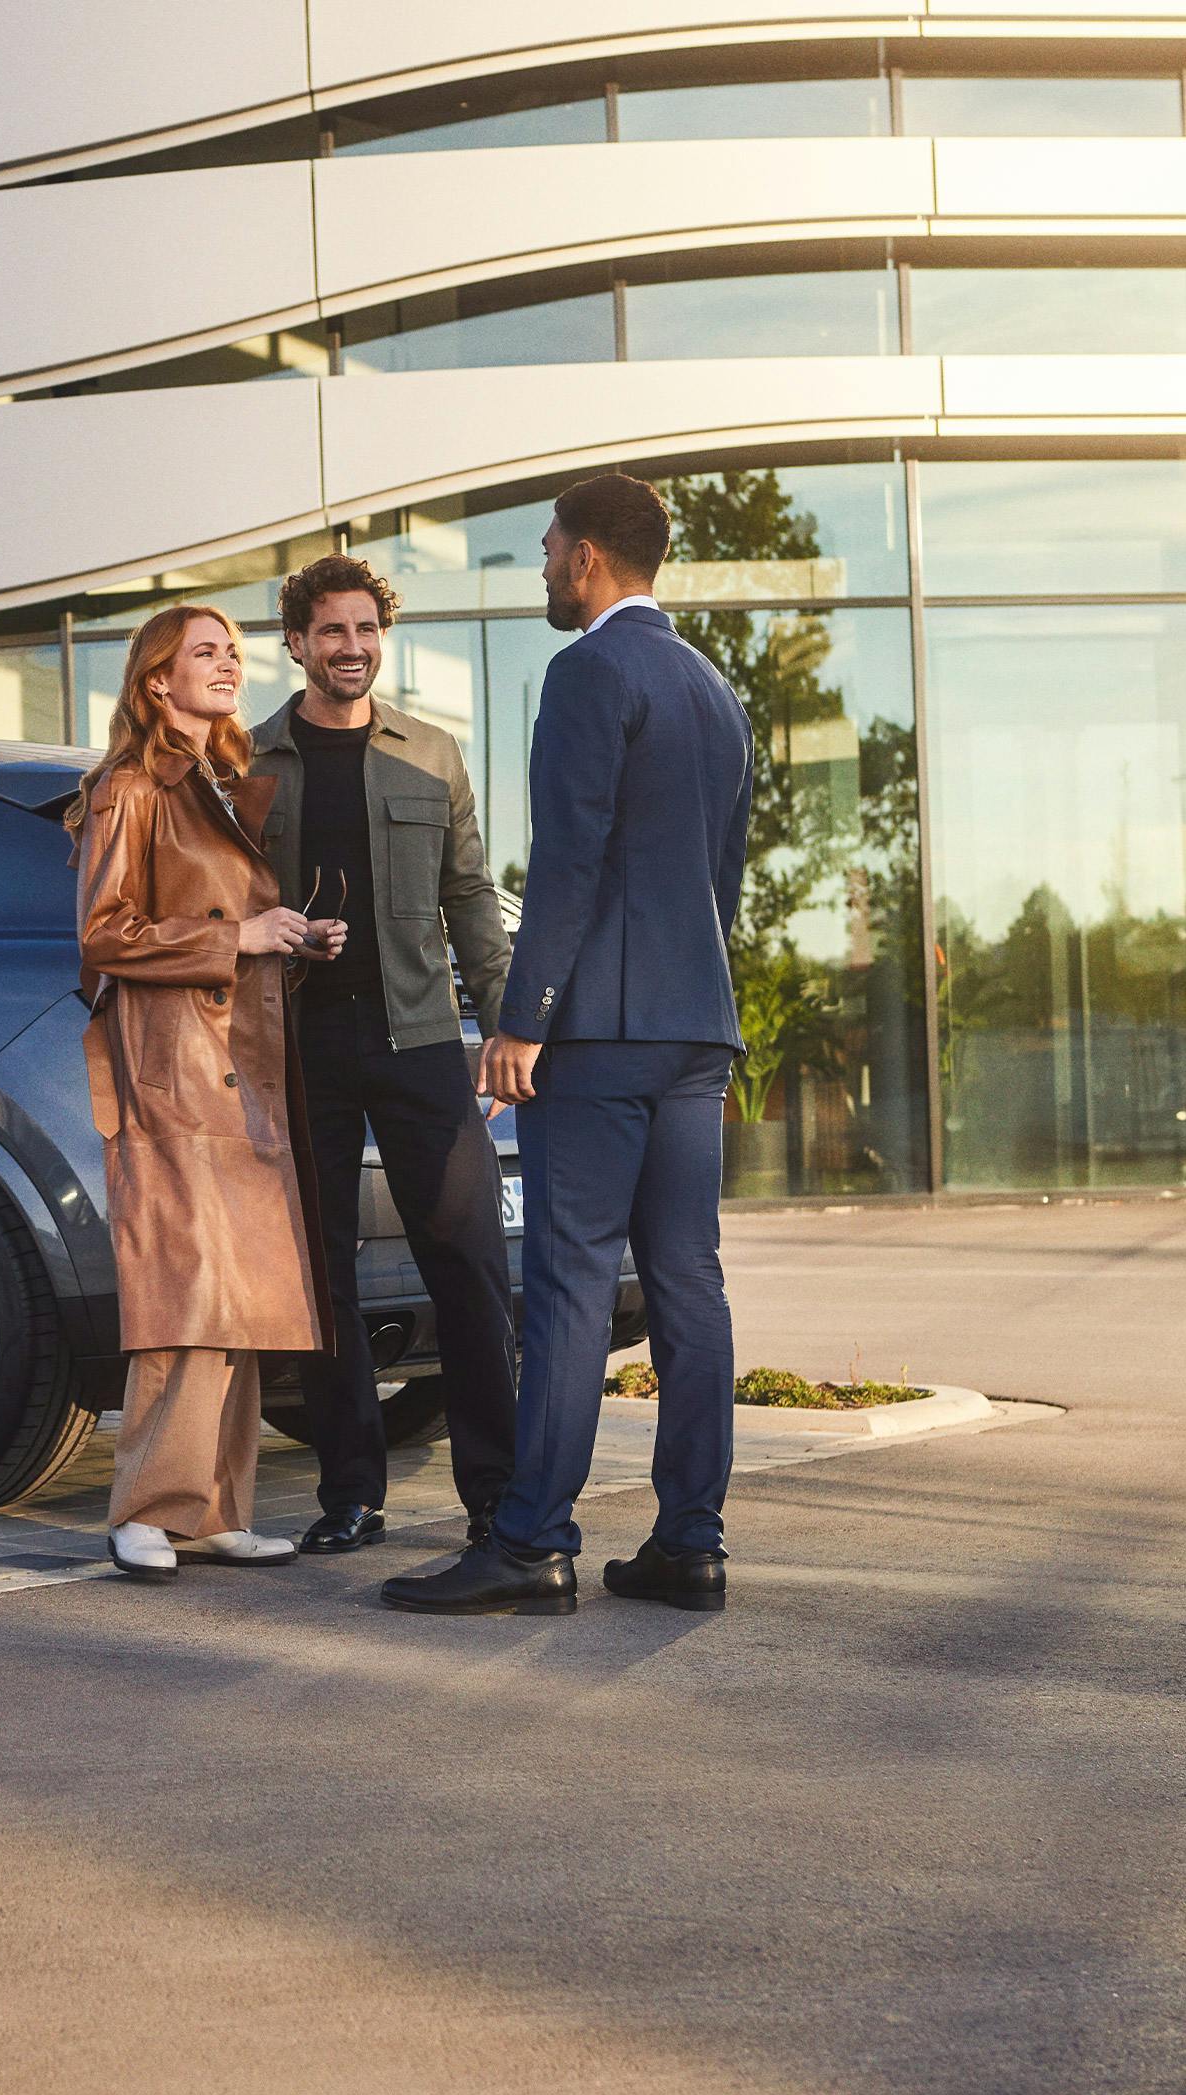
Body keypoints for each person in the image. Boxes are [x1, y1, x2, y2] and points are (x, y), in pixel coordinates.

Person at [382, 472, 752, 1619]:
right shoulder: (714, 688)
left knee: (568, 1284)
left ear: (588, 558)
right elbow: (719, 879)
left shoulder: (587, 670)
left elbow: (572, 856)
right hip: (696, 1028)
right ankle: (691, 1543)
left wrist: (521, 1018)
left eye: (546, 550)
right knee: (689, 1283)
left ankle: (533, 1540)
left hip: (595, 1036)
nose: (541, 567)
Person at [242, 555, 519, 1557]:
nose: (351, 649)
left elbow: (471, 899)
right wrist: (273, 928)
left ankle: (496, 1492)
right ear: (298, 643)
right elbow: (222, 901)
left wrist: (505, 1021)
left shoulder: (432, 756)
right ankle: (350, 1492)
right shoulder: (251, 763)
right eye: (332, 633)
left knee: (471, 1264)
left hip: (421, 1043)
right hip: (302, 1045)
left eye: (366, 631)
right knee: (321, 1277)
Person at [68, 602, 346, 1581]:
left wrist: (296, 937)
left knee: (244, 1300)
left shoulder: (223, 786)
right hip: (171, 1073)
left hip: (244, 1069)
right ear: (156, 681)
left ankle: (217, 1510)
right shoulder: (131, 788)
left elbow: (239, 926)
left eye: (233, 651)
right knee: (184, 1295)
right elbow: (104, 934)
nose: (228, 664)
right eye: (204, 652)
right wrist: (239, 937)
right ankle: (145, 1509)